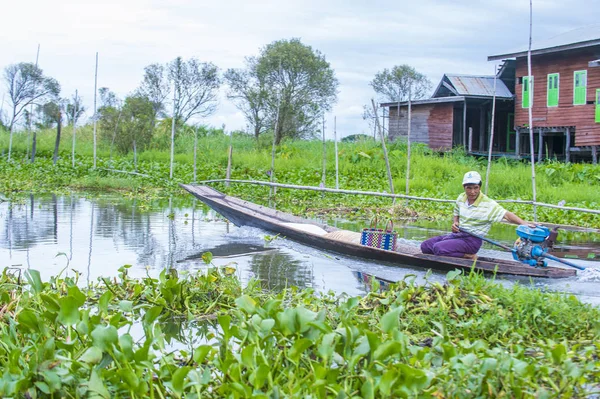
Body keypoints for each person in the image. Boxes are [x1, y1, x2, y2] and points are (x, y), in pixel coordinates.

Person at [420, 171, 530, 259]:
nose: (472, 192)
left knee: (439, 248)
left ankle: (468, 256)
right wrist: (455, 222)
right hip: (458, 236)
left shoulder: (488, 204)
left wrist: (524, 224)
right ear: (464, 187)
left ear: (479, 187)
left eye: (475, 188)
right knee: (425, 246)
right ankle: (450, 253)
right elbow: (456, 213)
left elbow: (507, 215)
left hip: (472, 241)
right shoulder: (461, 198)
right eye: (469, 188)